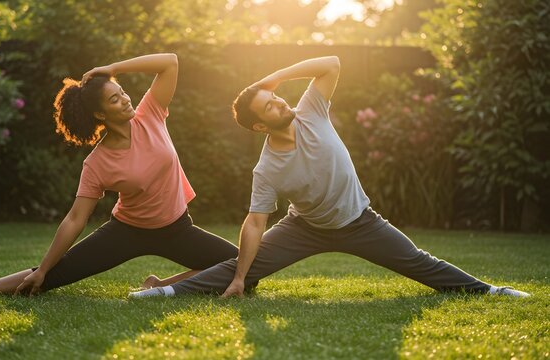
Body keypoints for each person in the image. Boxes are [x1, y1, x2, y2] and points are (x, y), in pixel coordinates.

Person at [129, 56, 530, 299]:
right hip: (303, 229)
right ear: (259, 128)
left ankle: (492, 291)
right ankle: (162, 291)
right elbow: (254, 222)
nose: (279, 102)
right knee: (241, 265)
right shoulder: (267, 167)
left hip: (360, 221)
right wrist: (238, 279)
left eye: (275, 97)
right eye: (269, 106)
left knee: (418, 263)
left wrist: (277, 77)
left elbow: (332, 63)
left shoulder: (311, 110)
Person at [0, 53, 238, 300]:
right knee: (49, 277)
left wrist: (112, 68)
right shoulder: (97, 162)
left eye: (122, 92)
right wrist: (42, 268)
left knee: (242, 270)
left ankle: (160, 286)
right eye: (114, 100)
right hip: (126, 232)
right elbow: (75, 219)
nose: (125, 100)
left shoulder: (151, 113)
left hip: (177, 228)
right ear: (100, 115)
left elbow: (170, 61)